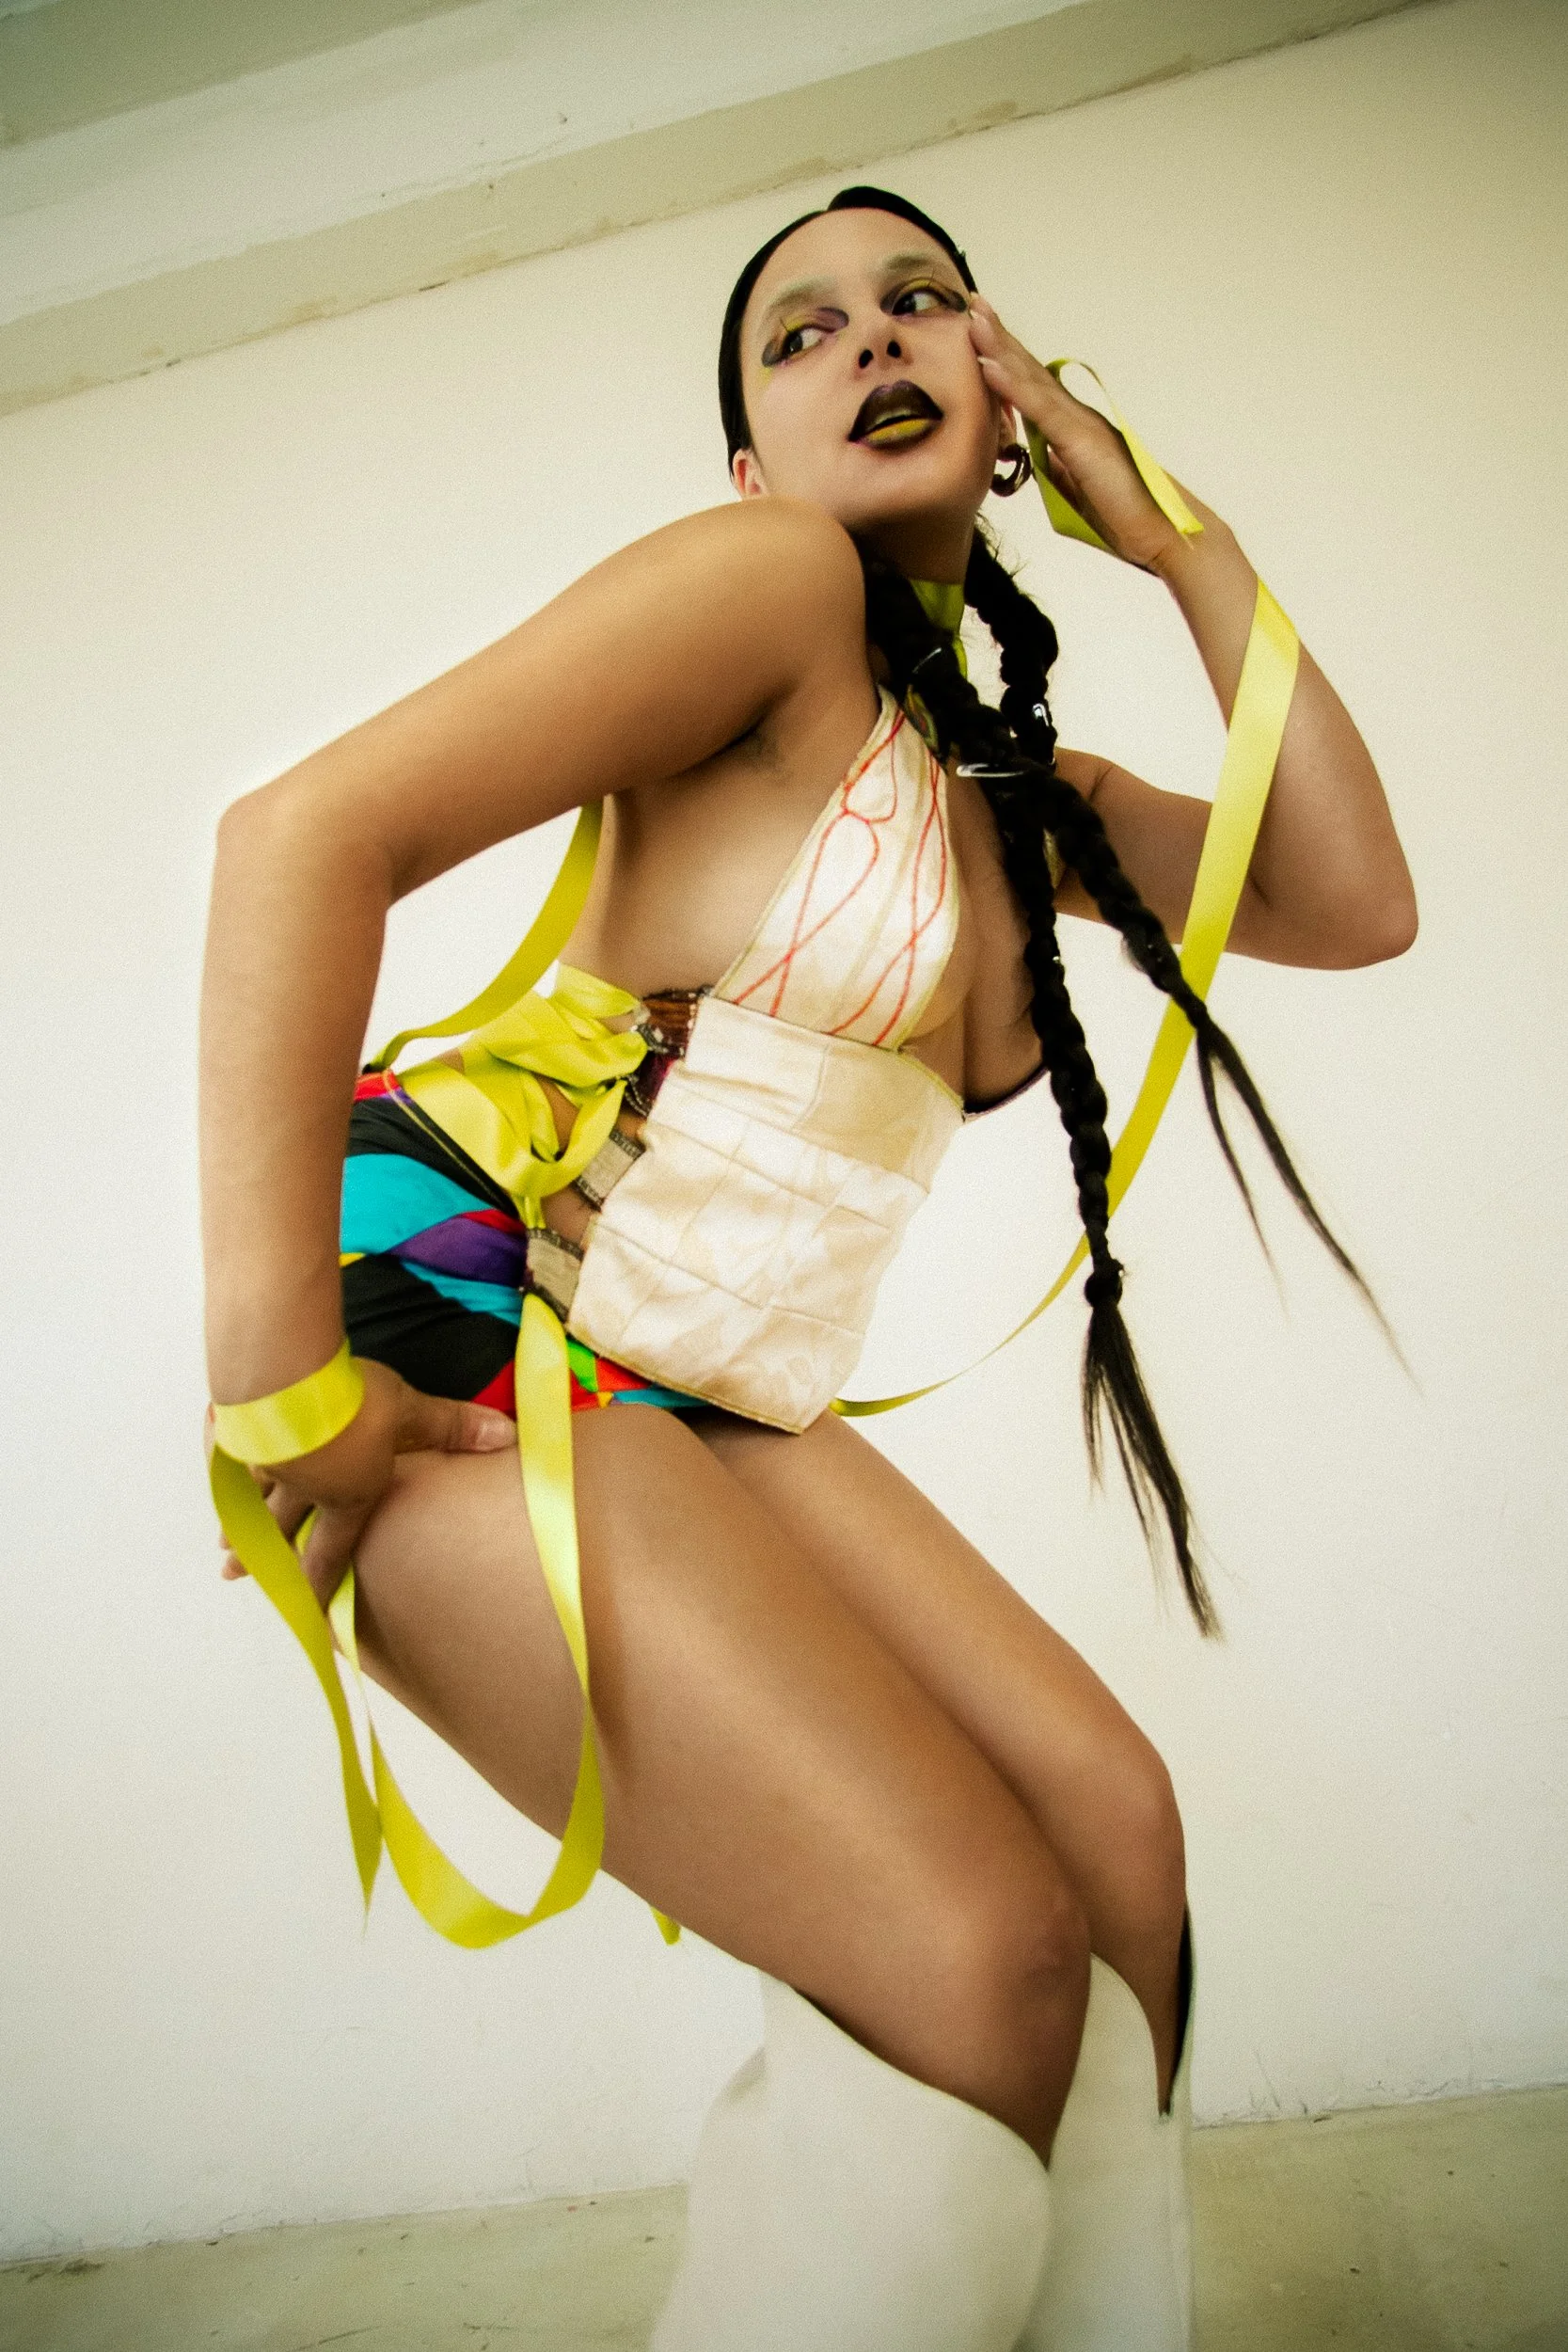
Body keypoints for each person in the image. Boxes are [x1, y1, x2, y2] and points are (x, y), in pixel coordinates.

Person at [200, 186, 1416, 2350]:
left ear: (997, 383)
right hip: (470, 1316)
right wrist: (281, 1380)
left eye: (924, 300)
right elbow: (296, 837)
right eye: (802, 326)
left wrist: (1163, 530)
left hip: (690, 1382)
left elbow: (1342, 886)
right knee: (971, 1948)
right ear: (750, 466)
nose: (876, 334)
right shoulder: (765, 597)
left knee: (1111, 1852)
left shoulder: (1005, 788)